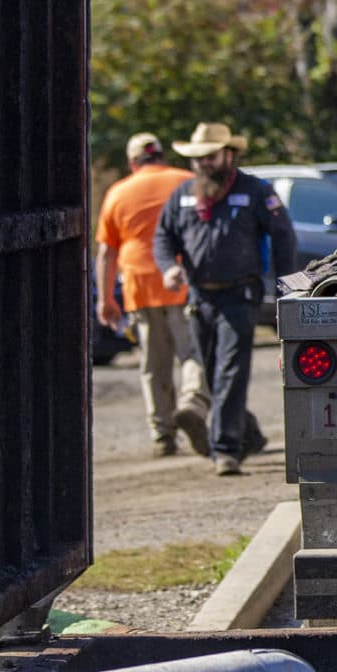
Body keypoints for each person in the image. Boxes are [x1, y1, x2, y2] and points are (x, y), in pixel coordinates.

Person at [154, 122, 298, 476]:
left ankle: (225, 449)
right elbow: (163, 236)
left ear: (228, 155)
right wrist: (167, 268)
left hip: (240, 296)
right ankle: (249, 432)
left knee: (231, 370)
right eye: (198, 158)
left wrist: (286, 288)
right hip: (200, 298)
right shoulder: (183, 195)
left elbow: (283, 238)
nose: (204, 163)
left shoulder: (255, 191)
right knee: (213, 370)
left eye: (210, 156)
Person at [95, 132, 208, 458]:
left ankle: (162, 435)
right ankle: (192, 402)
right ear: (161, 155)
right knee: (193, 354)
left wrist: (106, 299)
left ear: (133, 162)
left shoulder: (118, 192)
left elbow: (106, 253)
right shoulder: (187, 181)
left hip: (139, 286)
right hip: (184, 282)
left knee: (153, 365)